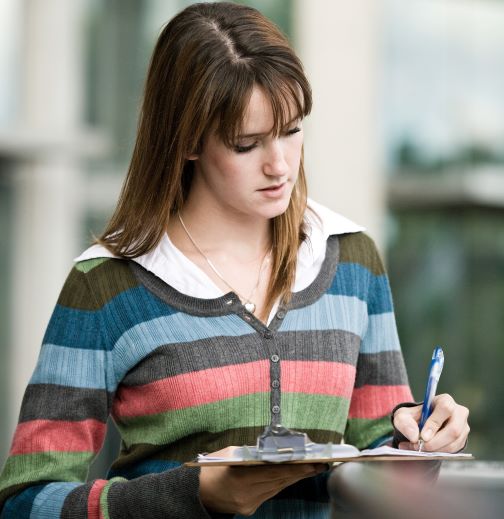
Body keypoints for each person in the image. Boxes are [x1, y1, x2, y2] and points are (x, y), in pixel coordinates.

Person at [0, 2, 469, 518]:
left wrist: (419, 440)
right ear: (187, 141)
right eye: (246, 144)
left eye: (291, 131)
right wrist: (191, 495)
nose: (279, 165)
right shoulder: (106, 285)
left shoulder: (351, 260)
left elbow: (378, 463)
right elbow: (26, 501)